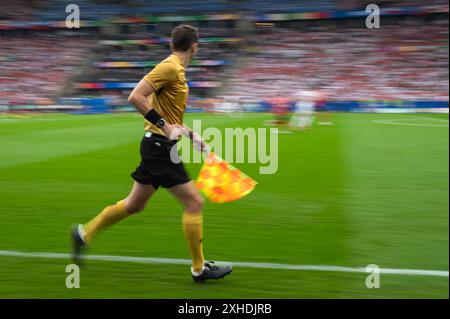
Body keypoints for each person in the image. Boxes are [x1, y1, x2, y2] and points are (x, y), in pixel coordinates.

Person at [71, 25, 232, 282]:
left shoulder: (177, 71)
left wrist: (191, 135)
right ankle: (199, 268)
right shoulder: (169, 67)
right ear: (195, 46)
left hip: (156, 145)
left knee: (134, 204)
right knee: (194, 203)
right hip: (159, 148)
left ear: (172, 44)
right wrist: (165, 127)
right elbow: (136, 96)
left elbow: (170, 116)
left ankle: (84, 233)